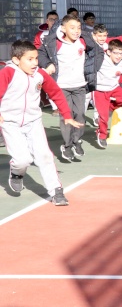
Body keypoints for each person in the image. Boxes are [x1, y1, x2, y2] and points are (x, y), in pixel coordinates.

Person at [0, 40, 84, 206]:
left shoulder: (40, 74)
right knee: (22, 159)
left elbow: (56, 93)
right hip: (11, 123)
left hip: (33, 121)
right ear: (17, 60)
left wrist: (66, 115)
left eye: (36, 58)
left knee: (45, 155)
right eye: (29, 59)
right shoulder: (7, 72)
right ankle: (17, 173)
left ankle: (56, 191)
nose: (34, 63)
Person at [37, 14, 95, 162]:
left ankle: (77, 141)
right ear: (63, 28)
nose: (76, 31)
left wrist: (94, 69)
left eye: (79, 27)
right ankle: (67, 145)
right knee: (66, 116)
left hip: (80, 85)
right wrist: (48, 64)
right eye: (72, 27)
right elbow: (41, 54)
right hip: (62, 86)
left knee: (80, 114)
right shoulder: (54, 42)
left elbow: (97, 50)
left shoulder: (83, 40)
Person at [83, 24, 122, 126]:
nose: (102, 38)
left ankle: (98, 118)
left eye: (104, 36)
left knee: (98, 101)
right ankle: (80, 117)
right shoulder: (88, 44)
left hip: (102, 79)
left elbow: (119, 39)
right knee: (85, 98)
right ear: (93, 35)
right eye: (99, 36)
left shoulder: (107, 44)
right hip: (88, 76)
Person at [34, 10, 61, 117]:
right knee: (50, 86)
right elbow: (37, 49)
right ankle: (56, 108)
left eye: (56, 19)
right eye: (51, 19)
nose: (53, 21)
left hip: (61, 64)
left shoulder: (63, 32)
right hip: (47, 64)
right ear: (47, 21)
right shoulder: (40, 35)